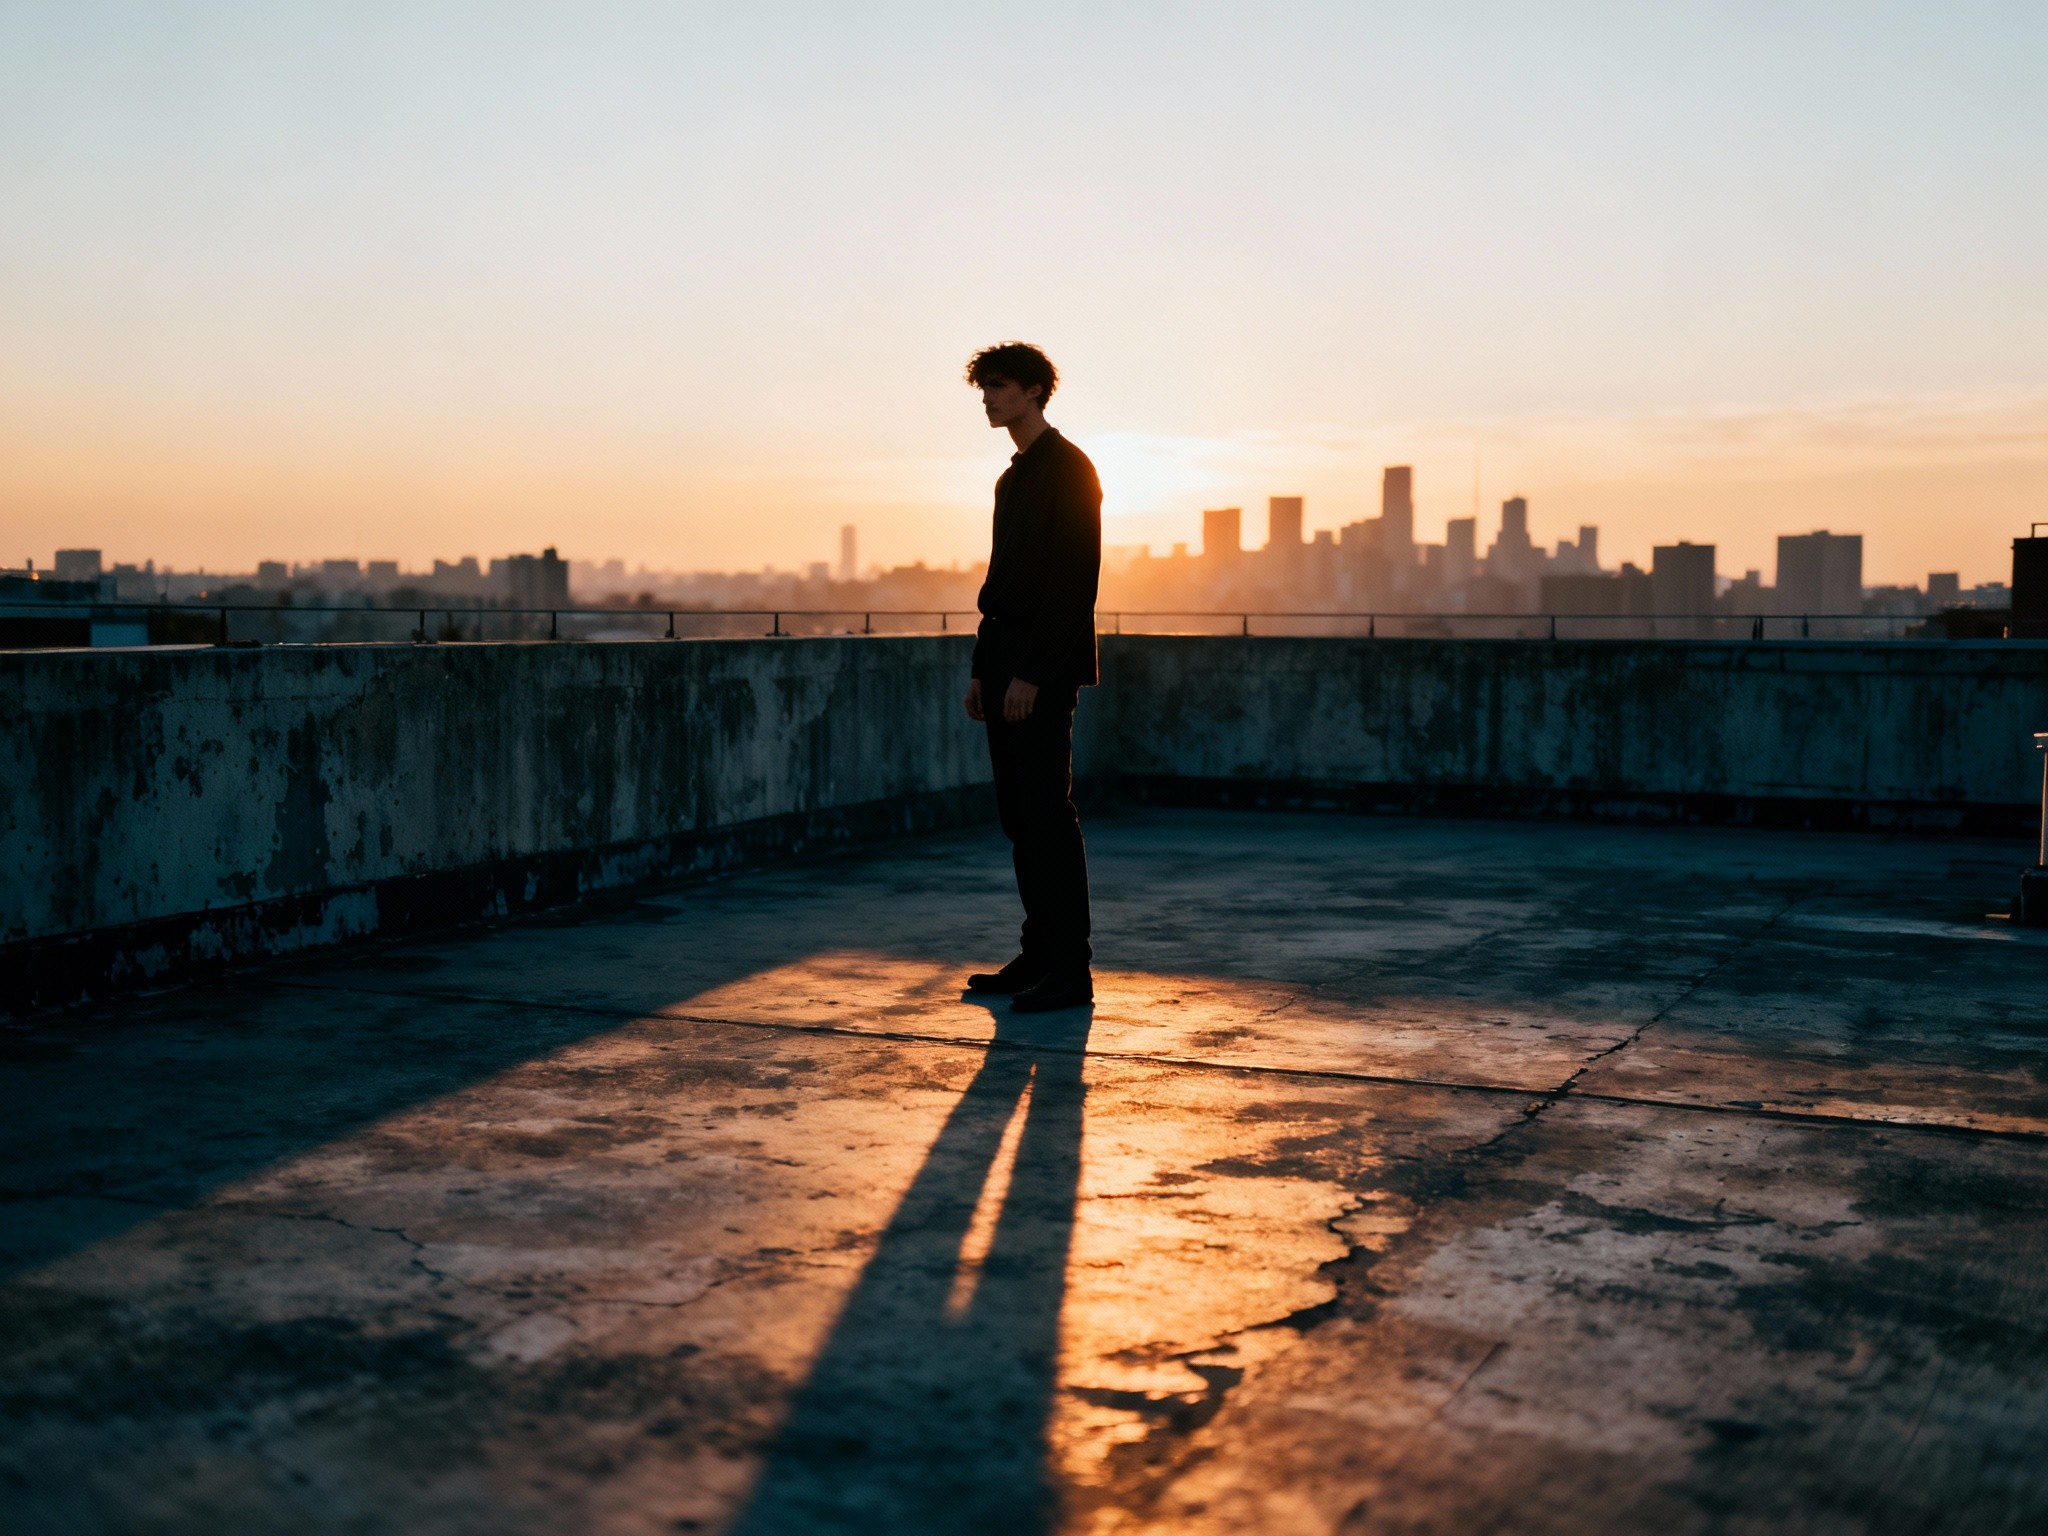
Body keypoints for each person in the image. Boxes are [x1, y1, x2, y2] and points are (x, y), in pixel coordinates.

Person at [960, 342, 1101, 1012]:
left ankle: (1070, 971)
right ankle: (1039, 953)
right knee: (1021, 818)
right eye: (984, 387)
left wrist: (1033, 675)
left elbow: (1073, 585)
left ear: (1036, 390)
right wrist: (982, 671)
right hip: (1005, 665)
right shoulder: (1011, 479)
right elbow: (1002, 587)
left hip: (1039, 674)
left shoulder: (1069, 469)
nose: (988, 397)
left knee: (1048, 814)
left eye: (1001, 386)